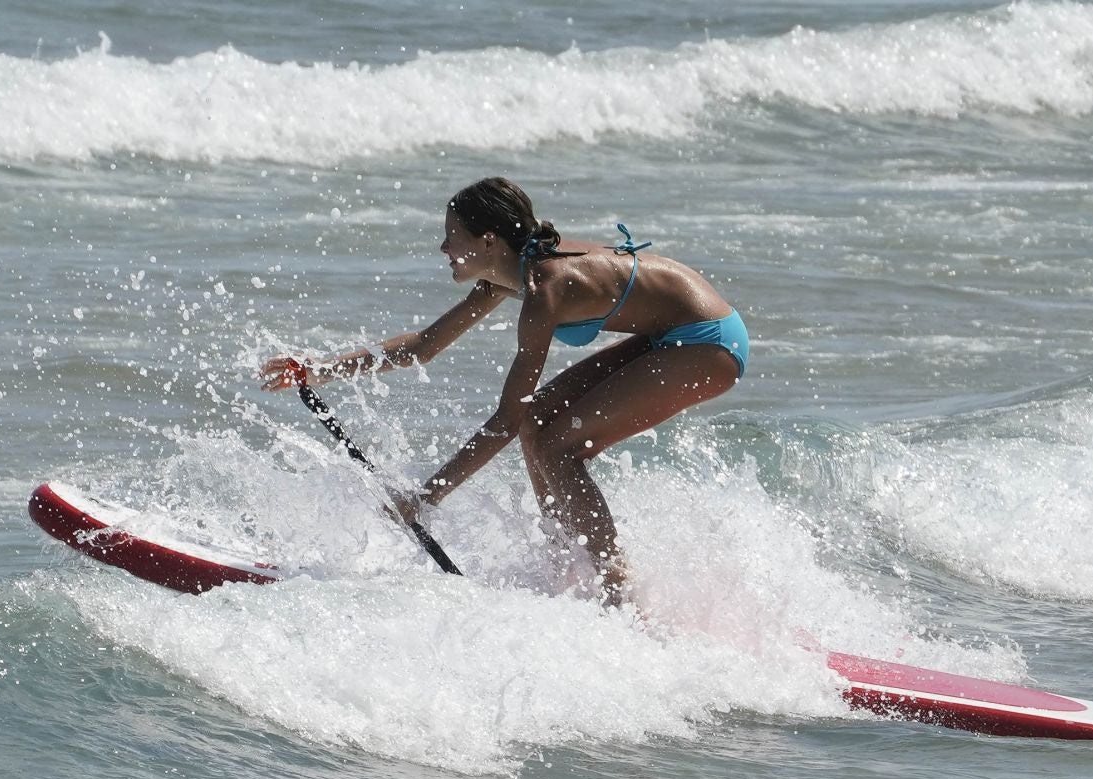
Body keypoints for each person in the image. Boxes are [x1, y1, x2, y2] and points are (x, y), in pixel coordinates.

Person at [261, 177, 749, 606]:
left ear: (489, 241)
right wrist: (319, 369)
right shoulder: (505, 274)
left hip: (709, 342)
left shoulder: (544, 288)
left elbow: (505, 419)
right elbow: (425, 346)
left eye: (452, 236)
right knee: (540, 423)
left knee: (555, 444)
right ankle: (568, 567)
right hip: (671, 334)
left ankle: (617, 593)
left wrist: (427, 497)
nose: (443, 248)